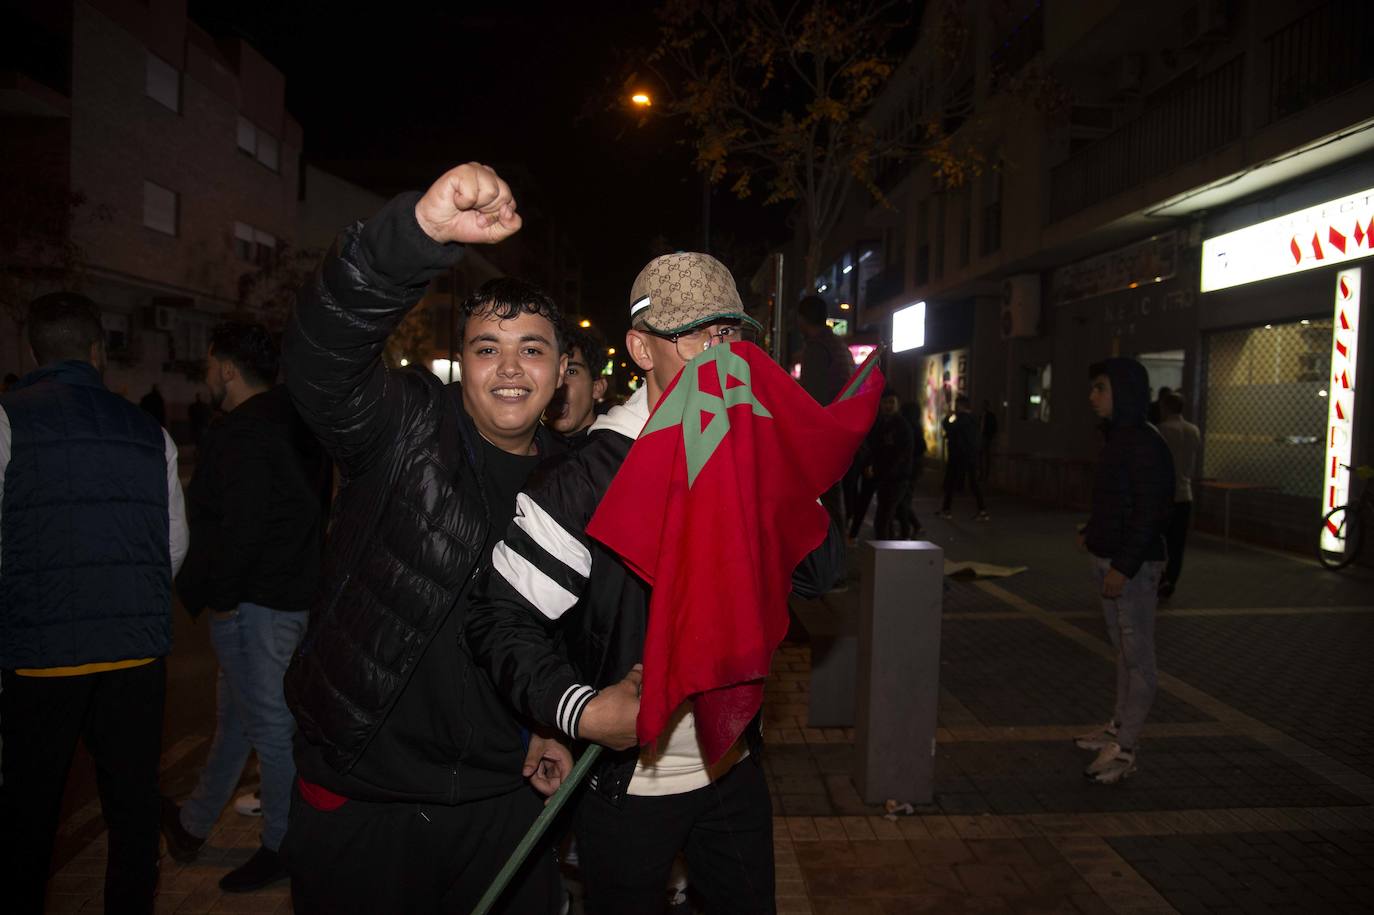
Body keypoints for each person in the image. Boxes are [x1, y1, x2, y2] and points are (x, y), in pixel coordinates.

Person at [466, 252, 842, 915]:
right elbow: (502, 619)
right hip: (626, 788)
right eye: (697, 334)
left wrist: (786, 466)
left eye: (732, 334)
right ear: (642, 348)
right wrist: (578, 709)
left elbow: (819, 574)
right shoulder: (585, 479)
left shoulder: (746, 449)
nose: (721, 353)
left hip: (732, 765)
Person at [277, 162, 568, 914]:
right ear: (460, 362)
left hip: (504, 800)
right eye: (486, 347)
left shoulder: (579, 483)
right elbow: (320, 364)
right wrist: (410, 239)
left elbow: (569, 628)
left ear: (563, 371)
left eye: (532, 348)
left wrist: (554, 718)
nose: (509, 367)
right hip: (367, 797)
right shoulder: (405, 427)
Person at [0, 292, 188, 914]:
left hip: (37, 655)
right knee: (132, 806)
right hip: (135, 656)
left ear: (32, 351)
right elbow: (172, 547)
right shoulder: (148, 432)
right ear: (97, 352)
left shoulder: (7, 422)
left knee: (29, 812)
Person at [160, 322, 331, 892]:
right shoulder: (294, 422)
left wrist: (225, 601)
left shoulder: (247, 432)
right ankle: (192, 824)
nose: (209, 375)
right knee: (237, 722)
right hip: (279, 597)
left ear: (229, 369)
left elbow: (241, 529)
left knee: (270, 730)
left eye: (211, 365)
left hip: (257, 605)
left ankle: (280, 844)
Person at [1075, 358, 1175, 784]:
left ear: (1123, 391)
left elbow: (1151, 511)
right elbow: (1119, 503)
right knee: (1124, 653)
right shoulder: (1120, 438)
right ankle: (1117, 728)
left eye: (1100, 388)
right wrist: (1093, 533)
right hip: (1113, 561)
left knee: (1138, 659)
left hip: (1129, 569)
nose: (1092, 397)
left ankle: (1127, 747)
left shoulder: (1143, 442)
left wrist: (1123, 564)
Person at [796, 294, 852, 532]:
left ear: (803, 319)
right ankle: (836, 554)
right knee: (832, 496)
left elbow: (812, 399)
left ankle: (831, 559)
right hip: (839, 429)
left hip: (823, 435)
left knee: (823, 499)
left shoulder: (816, 348)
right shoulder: (837, 345)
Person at [849, 389, 913, 540]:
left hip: (896, 478)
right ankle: (895, 546)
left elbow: (900, 456)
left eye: (892, 402)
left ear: (898, 404)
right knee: (887, 518)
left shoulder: (902, 426)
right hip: (883, 476)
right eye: (885, 402)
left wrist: (878, 469)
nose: (888, 406)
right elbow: (874, 448)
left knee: (884, 519)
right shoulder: (881, 423)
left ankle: (891, 549)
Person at [1155, 391, 1199, 599]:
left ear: (1165, 407)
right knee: (1177, 544)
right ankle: (1171, 580)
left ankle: (1158, 578)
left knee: (1157, 538)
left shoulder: (1162, 430)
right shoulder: (1193, 430)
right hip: (1185, 493)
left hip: (1165, 494)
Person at [546, 324, 608, 444]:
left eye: (571, 371)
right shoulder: (532, 449)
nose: (558, 382)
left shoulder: (618, 451)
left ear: (597, 388)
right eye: (552, 372)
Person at [938, 394, 987, 521]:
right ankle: (982, 510)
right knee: (972, 482)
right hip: (970, 454)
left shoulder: (963, 419)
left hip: (960, 455)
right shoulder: (974, 419)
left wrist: (947, 417)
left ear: (960, 406)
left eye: (957, 405)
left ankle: (947, 510)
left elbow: (949, 428)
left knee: (952, 483)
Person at [896, 401, 926, 538]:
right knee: (903, 499)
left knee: (903, 500)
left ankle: (910, 528)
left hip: (909, 469)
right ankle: (911, 527)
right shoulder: (916, 426)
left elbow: (918, 448)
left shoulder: (908, 426)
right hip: (913, 468)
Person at [979, 399, 999, 481]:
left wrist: (990, 436)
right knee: (980, 456)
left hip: (986, 437)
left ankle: (986, 475)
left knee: (986, 457)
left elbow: (994, 427)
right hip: (982, 437)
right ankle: (982, 474)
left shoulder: (990, 416)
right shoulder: (981, 415)